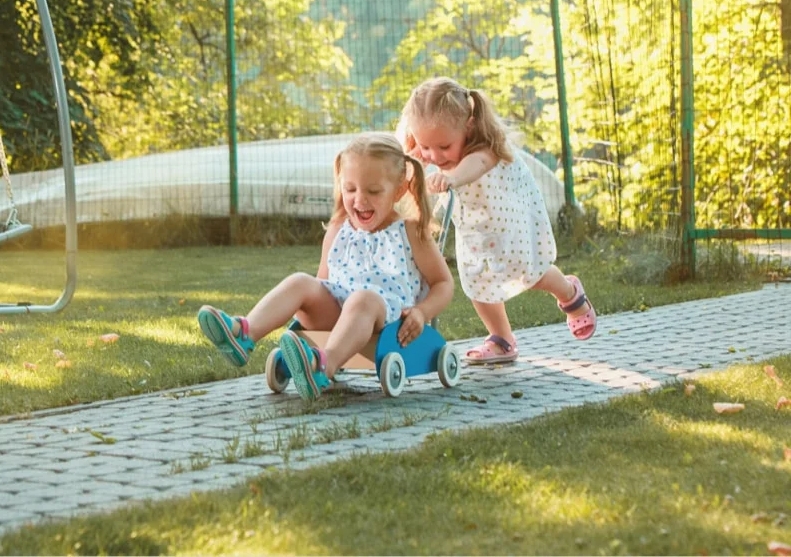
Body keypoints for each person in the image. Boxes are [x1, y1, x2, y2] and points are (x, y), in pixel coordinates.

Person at [196, 132, 454, 400]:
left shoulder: (410, 231)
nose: (359, 200)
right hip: (337, 316)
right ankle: (243, 334)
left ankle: (323, 366)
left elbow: (443, 283)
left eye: (373, 191)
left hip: (386, 321)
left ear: (398, 190)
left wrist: (421, 312)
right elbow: (322, 284)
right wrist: (308, 307)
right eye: (350, 189)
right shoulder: (338, 229)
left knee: (362, 299)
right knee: (300, 281)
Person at [397, 77, 596, 365]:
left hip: (509, 224)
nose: (434, 156)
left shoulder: (487, 148)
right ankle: (501, 338)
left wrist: (451, 178)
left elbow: (474, 165)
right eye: (426, 146)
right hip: (476, 230)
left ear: (468, 126)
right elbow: (412, 162)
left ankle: (569, 292)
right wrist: (409, 164)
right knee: (476, 280)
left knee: (530, 272)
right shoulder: (434, 148)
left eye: (443, 146)